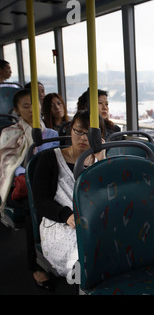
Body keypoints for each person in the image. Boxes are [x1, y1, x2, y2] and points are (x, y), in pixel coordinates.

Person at [32, 110, 105, 278]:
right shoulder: (49, 158)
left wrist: (101, 162)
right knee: (87, 255)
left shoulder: (100, 162)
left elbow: (108, 197)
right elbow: (41, 200)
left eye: (89, 134)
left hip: (95, 221)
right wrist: (66, 215)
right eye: (79, 131)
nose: (83, 138)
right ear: (70, 130)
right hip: (61, 223)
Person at [0, 88, 59, 290]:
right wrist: (23, 174)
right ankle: (36, 265)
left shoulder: (51, 134)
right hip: (20, 188)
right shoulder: (9, 133)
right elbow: (6, 163)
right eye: (26, 106)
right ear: (16, 109)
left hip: (47, 186)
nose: (32, 109)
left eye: (35, 104)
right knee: (32, 211)